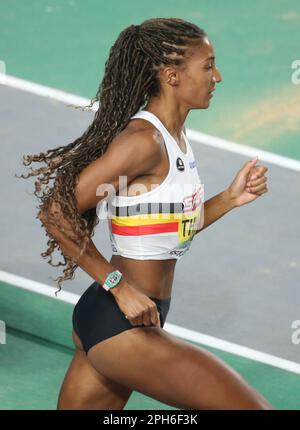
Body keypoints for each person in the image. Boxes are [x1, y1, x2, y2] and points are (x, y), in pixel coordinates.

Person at [20, 18, 272, 410]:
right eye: (208, 66)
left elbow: (164, 228)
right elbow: (55, 211)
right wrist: (118, 286)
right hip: (119, 322)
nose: (217, 76)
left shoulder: (175, 138)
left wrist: (229, 198)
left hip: (126, 316)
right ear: (172, 76)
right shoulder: (144, 141)